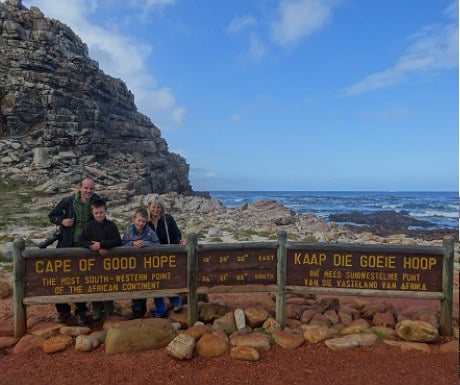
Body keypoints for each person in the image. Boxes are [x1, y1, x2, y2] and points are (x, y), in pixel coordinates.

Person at [47, 177, 99, 326]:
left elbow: (101, 218)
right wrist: (62, 221)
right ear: (80, 188)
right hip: (66, 245)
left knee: (82, 279)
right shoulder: (68, 201)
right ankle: (63, 311)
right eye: (86, 188)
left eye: (91, 188)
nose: (88, 191)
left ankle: (81, 312)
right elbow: (52, 216)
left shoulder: (96, 202)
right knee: (61, 278)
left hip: (85, 247)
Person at [79, 198, 122, 322]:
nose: (99, 215)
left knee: (108, 283)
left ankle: (109, 309)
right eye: (96, 213)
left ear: (105, 211)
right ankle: (97, 310)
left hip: (108, 263)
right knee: (95, 285)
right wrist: (96, 247)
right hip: (93, 263)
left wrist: (102, 244)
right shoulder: (88, 226)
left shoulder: (111, 225)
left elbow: (117, 241)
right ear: (93, 213)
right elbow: (82, 240)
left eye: (101, 212)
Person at [147, 195, 186, 317]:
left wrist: (180, 241)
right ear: (149, 207)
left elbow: (176, 235)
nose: (156, 210)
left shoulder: (168, 219)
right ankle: (160, 309)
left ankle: (176, 303)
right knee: (155, 283)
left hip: (167, 256)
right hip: (151, 258)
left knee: (170, 279)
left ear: (162, 208)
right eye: (153, 207)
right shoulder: (145, 221)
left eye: (158, 207)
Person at [121, 207, 160, 319]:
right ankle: (137, 310)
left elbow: (157, 244)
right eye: (139, 221)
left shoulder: (150, 232)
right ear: (134, 219)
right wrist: (133, 244)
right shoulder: (129, 231)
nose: (141, 223)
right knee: (134, 286)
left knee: (144, 286)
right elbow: (122, 244)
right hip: (132, 265)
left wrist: (144, 244)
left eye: (143, 221)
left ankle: (142, 310)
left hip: (146, 265)